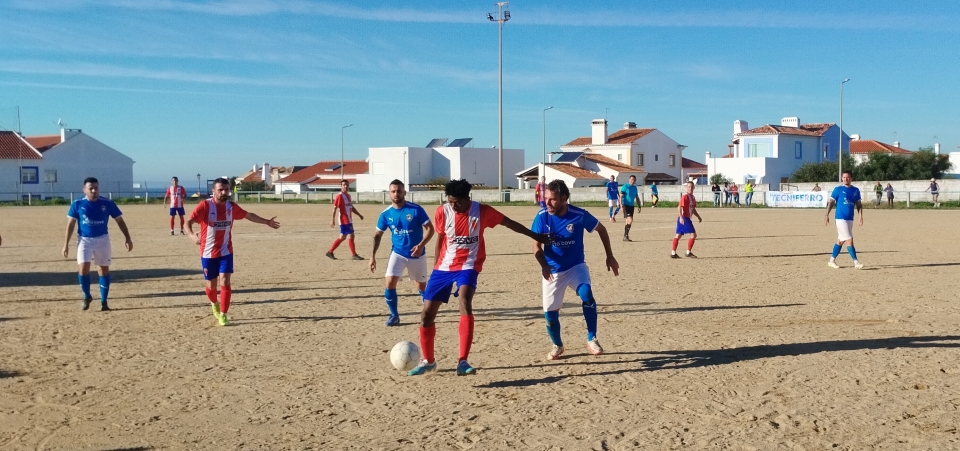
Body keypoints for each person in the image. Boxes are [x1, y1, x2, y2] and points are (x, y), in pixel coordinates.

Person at [407, 179, 552, 376]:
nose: (453, 205)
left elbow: (510, 224)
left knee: (465, 301)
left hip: (469, 265)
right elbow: (440, 239)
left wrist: (536, 236)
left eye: (457, 202)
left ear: (468, 198)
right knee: (426, 315)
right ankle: (428, 361)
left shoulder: (482, 211)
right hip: (444, 267)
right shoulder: (442, 212)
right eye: (450, 201)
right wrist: (435, 268)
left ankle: (463, 361)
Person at [532, 179, 619, 361]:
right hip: (553, 270)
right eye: (545, 198)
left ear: (564, 198)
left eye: (552, 199)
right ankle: (557, 345)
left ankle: (591, 338)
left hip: (575, 266)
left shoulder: (579, 215)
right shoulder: (542, 216)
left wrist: (609, 256)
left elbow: (602, 230)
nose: (547, 202)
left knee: (586, 293)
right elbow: (536, 247)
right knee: (550, 314)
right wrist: (544, 264)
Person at [187, 177, 280, 326]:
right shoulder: (205, 206)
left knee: (225, 281)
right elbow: (188, 222)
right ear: (213, 191)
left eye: (226, 189)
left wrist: (267, 222)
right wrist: (191, 235)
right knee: (211, 287)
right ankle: (214, 304)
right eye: (220, 190)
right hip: (207, 252)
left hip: (225, 252)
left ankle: (223, 314)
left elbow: (248, 215)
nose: (224, 192)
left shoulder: (231, 207)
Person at [369, 180, 435, 327]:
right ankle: (394, 315)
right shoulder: (385, 214)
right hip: (397, 253)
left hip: (417, 255)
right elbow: (377, 236)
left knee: (421, 287)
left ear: (404, 192)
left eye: (399, 191)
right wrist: (372, 257)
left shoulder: (415, 210)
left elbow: (430, 229)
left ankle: (428, 311)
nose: (396, 194)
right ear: (389, 194)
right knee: (389, 283)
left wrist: (420, 245)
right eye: (393, 191)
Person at [62, 177, 133, 311]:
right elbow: (70, 225)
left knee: (103, 270)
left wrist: (128, 238)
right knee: (83, 269)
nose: (94, 191)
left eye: (96, 188)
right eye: (91, 188)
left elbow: (120, 221)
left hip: (102, 240)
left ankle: (104, 302)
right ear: (84, 190)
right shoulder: (77, 204)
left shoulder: (107, 203)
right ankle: (87, 296)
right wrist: (65, 244)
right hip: (84, 240)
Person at [825, 171, 864, 270]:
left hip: (850, 218)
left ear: (851, 178)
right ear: (841, 178)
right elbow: (831, 203)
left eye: (848, 177)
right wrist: (827, 215)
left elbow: (859, 205)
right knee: (849, 240)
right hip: (840, 218)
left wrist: (860, 216)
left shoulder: (856, 190)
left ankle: (831, 260)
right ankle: (856, 262)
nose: (846, 179)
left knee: (840, 240)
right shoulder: (838, 190)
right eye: (844, 177)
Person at [327, 180, 365, 260]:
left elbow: (351, 207)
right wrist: (332, 220)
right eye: (344, 185)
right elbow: (334, 208)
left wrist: (359, 214)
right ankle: (354, 255)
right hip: (344, 220)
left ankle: (330, 252)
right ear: (341, 186)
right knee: (350, 235)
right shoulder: (340, 196)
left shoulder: (348, 196)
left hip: (349, 219)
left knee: (343, 237)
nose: (345, 186)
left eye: (347, 185)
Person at [670, 181, 702, 258]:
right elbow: (679, 207)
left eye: (691, 187)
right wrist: (681, 217)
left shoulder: (693, 198)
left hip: (684, 218)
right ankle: (688, 252)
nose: (690, 188)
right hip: (684, 218)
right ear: (686, 188)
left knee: (678, 235)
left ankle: (673, 253)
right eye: (688, 187)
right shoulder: (685, 197)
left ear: (694, 188)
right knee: (693, 235)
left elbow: (693, 209)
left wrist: (698, 216)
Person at [618, 175, 640, 241]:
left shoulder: (635, 188)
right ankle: (626, 236)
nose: (633, 181)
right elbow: (621, 196)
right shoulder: (625, 186)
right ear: (629, 179)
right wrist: (621, 205)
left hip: (631, 206)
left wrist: (639, 206)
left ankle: (625, 236)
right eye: (632, 179)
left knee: (627, 221)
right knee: (630, 220)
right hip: (625, 205)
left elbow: (637, 197)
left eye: (634, 180)